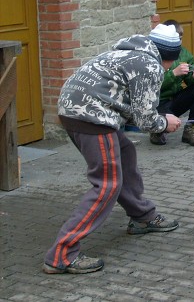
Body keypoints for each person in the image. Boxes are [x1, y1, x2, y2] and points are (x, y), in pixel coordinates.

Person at [43, 24, 183, 275]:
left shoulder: (124, 52)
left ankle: (142, 216)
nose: (170, 68)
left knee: (126, 152)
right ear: (168, 56)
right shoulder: (149, 65)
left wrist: (155, 118)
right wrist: (165, 122)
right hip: (93, 118)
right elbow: (146, 121)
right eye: (171, 62)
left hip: (72, 110)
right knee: (107, 184)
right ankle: (62, 253)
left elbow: (123, 102)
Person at [149, 19, 194, 148]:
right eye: (176, 38)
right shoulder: (154, 54)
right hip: (157, 103)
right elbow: (151, 85)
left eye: (181, 38)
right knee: (161, 120)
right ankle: (157, 130)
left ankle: (190, 129)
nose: (179, 42)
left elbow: (192, 81)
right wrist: (173, 74)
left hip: (175, 100)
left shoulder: (184, 54)